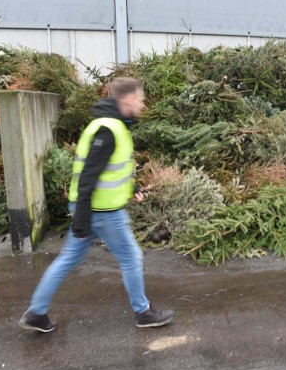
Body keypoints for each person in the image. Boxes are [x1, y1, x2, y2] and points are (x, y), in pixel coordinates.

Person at [19, 77, 174, 333]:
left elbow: (108, 171)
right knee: (131, 256)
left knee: (68, 259)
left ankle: (36, 313)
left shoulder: (113, 125)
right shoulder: (108, 129)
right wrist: (82, 217)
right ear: (128, 100)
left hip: (94, 209)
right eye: (141, 100)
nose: (143, 105)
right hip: (101, 213)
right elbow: (89, 174)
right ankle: (143, 312)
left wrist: (131, 188)